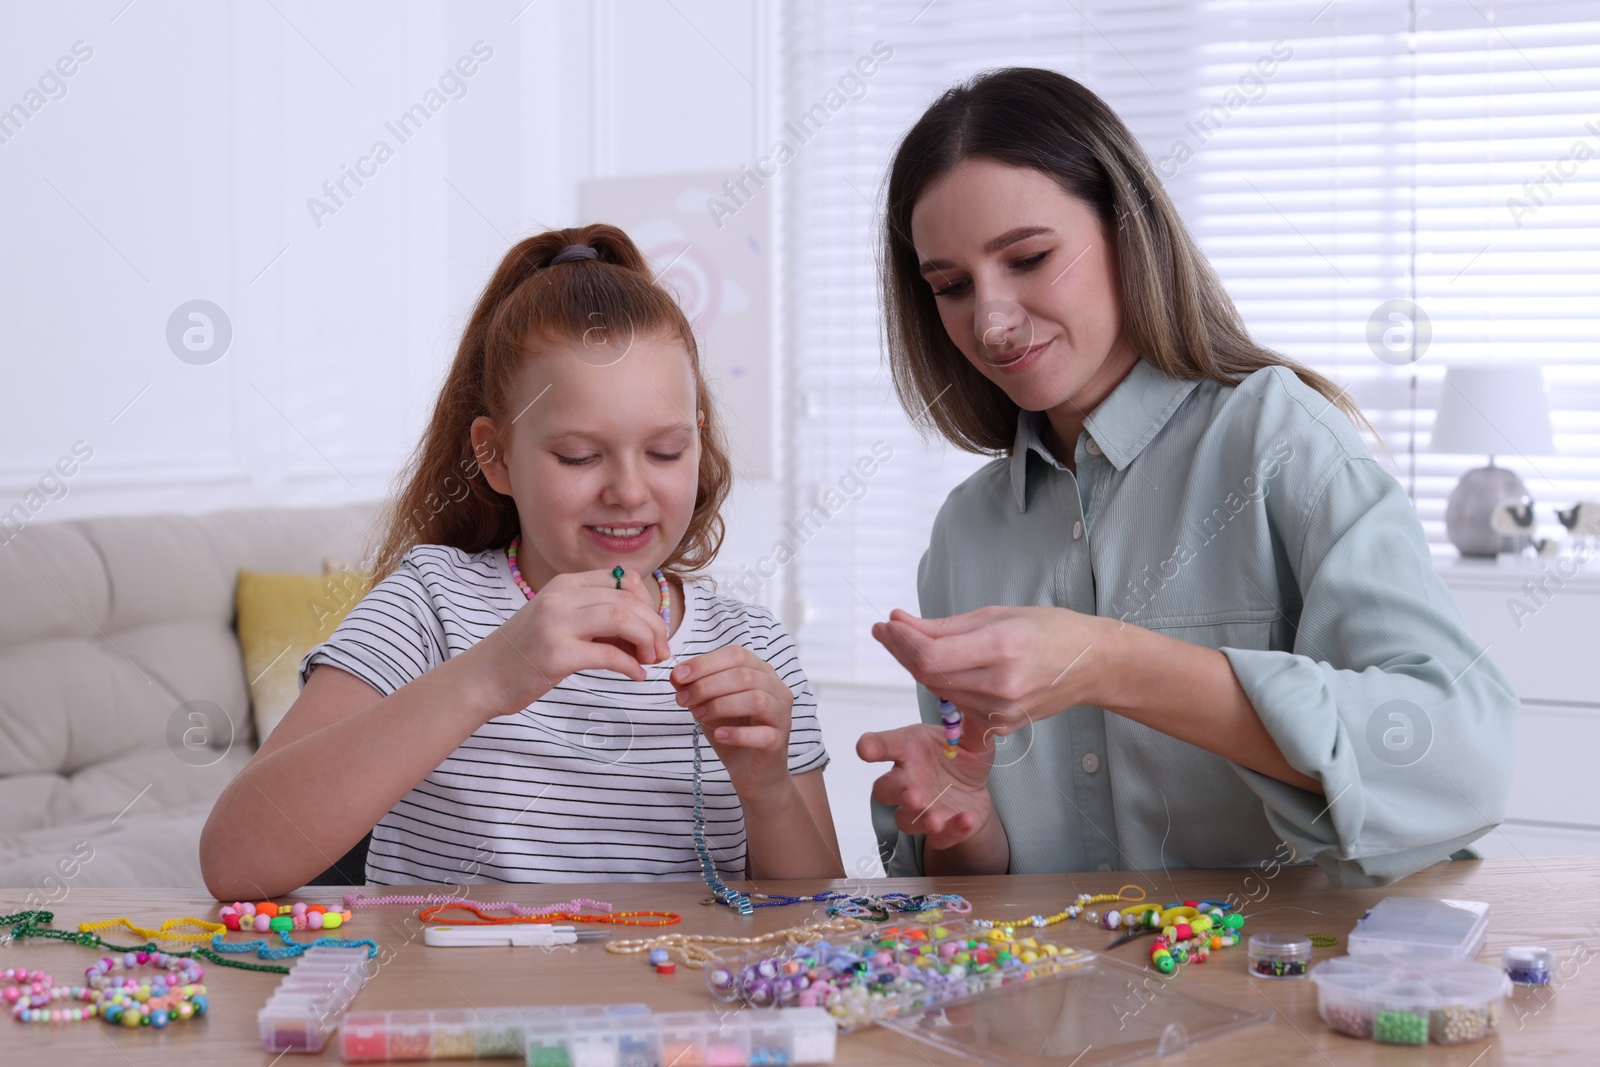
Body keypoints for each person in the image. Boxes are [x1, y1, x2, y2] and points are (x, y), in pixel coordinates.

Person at [857, 68, 1517, 887]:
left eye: (1028, 258)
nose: (989, 322)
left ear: (1128, 230)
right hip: (1056, 1009)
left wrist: (1110, 661)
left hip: (1286, 1000)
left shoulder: (1278, 439)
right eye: (950, 287)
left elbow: (1463, 756)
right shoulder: (965, 534)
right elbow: (979, 885)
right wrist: (965, 818)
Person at [201, 225, 842, 898]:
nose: (628, 489)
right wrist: (487, 676)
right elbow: (234, 860)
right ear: (495, 455)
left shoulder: (751, 644)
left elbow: (819, 913)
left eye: (664, 451)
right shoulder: (429, 605)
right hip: (452, 1003)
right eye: (579, 455)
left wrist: (767, 786)